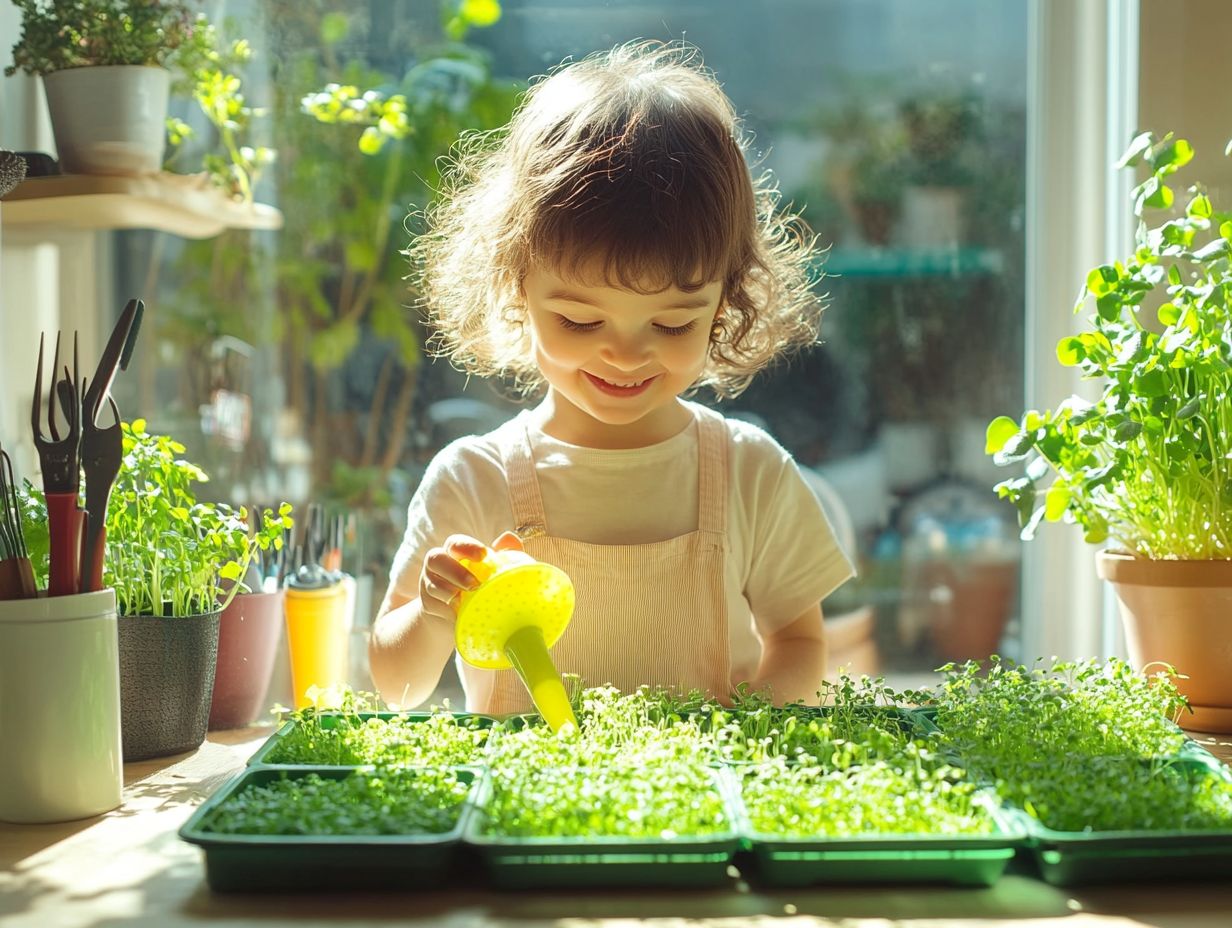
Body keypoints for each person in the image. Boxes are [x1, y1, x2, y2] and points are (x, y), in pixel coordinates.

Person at [369, 40, 854, 713]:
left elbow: (801, 645)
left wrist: (742, 735)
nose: (625, 357)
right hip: (524, 815)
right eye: (579, 321)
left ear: (727, 300)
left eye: (671, 325)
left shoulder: (751, 473)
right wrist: (429, 615)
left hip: (701, 811)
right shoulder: (472, 482)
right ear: (516, 286)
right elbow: (397, 688)